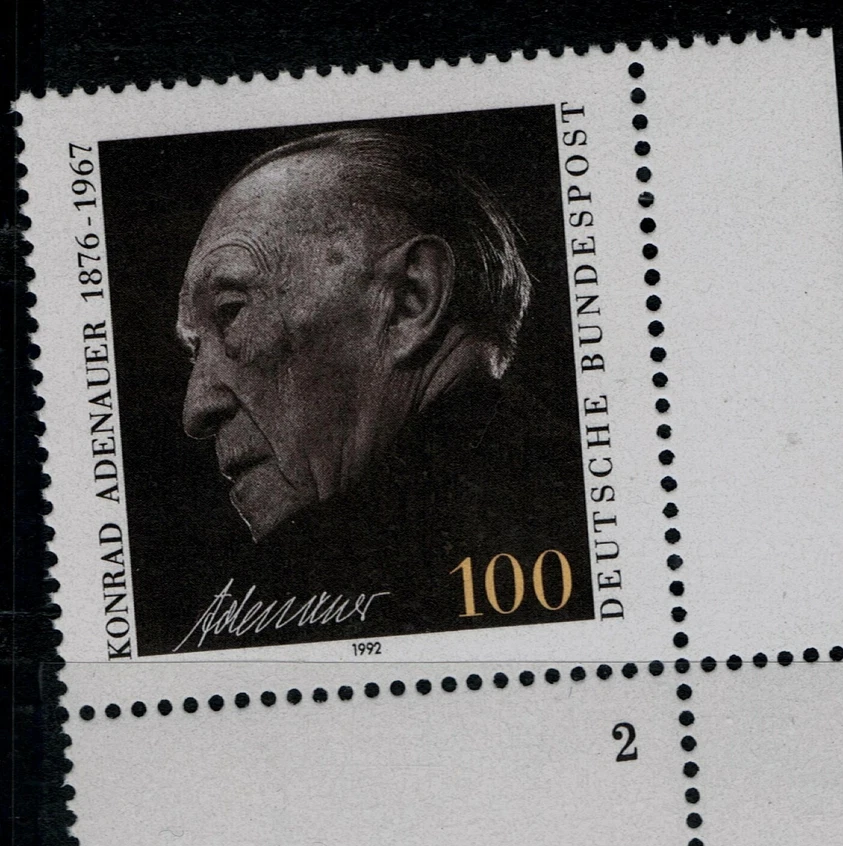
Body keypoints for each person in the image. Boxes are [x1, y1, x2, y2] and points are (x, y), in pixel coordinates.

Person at [176, 127, 591, 643]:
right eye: (194, 352)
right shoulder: (600, 504)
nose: (196, 407)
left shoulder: (323, 577)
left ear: (409, 301)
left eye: (231, 312)